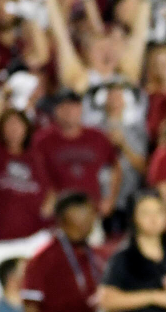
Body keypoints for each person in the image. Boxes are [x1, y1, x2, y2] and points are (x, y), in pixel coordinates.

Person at [31, 89, 121, 219]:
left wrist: (110, 200)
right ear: (56, 110)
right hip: (57, 212)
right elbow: (32, 171)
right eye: (65, 107)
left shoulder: (97, 137)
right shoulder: (42, 140)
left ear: (81, 109)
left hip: (91, 211)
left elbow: (115, 167)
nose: (70, 112)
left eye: (74, 107)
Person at [0, 108, 52, 243]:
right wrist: (0, 100)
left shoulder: (36, 158)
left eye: (18, 124)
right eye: (9, 124)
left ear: (26, 128)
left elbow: (49, 191)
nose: (14, 129)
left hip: (32, 238)